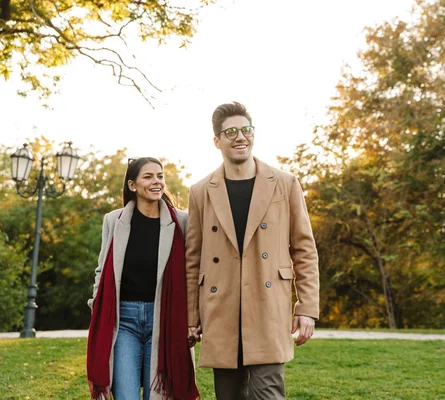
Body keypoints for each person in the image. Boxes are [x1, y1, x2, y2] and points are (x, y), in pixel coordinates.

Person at [185, 102, 320, 399]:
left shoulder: (285, 183)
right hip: (221, 310)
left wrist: (307, 308)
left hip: (268, 305)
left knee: (268, 393)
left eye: (246, 129)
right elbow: (192, 259)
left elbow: (304, 249)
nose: (240, 137)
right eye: (230, 131)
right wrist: (191, 317)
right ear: (217, 141)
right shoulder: (200, 192)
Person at [86, 157, 199, 400]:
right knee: (125, 395)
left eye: (159, 176)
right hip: (123, 321)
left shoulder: (182, 221)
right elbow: (101, 269)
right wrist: (97, 305)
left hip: (165, 320)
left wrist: (193, 316)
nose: (156, 182)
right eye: (148, 177)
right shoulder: (113, 221)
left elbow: (192, 272)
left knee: (157, 395)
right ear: (132, 185)